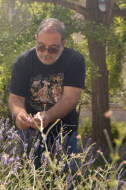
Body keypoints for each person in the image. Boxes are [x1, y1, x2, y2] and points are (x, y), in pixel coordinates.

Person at [8, 18, 85, 160]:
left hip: (64, 133)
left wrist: (48, 115)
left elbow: (71, 97)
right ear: (36, 39)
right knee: (27, 177)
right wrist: (19, 113)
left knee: (64, 179)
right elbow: (15, 97)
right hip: (29, 133)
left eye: (53, 49)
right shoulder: (23, 61)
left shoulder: (74, 61)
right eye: (41, 46)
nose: (46, 53)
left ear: (63, 44)